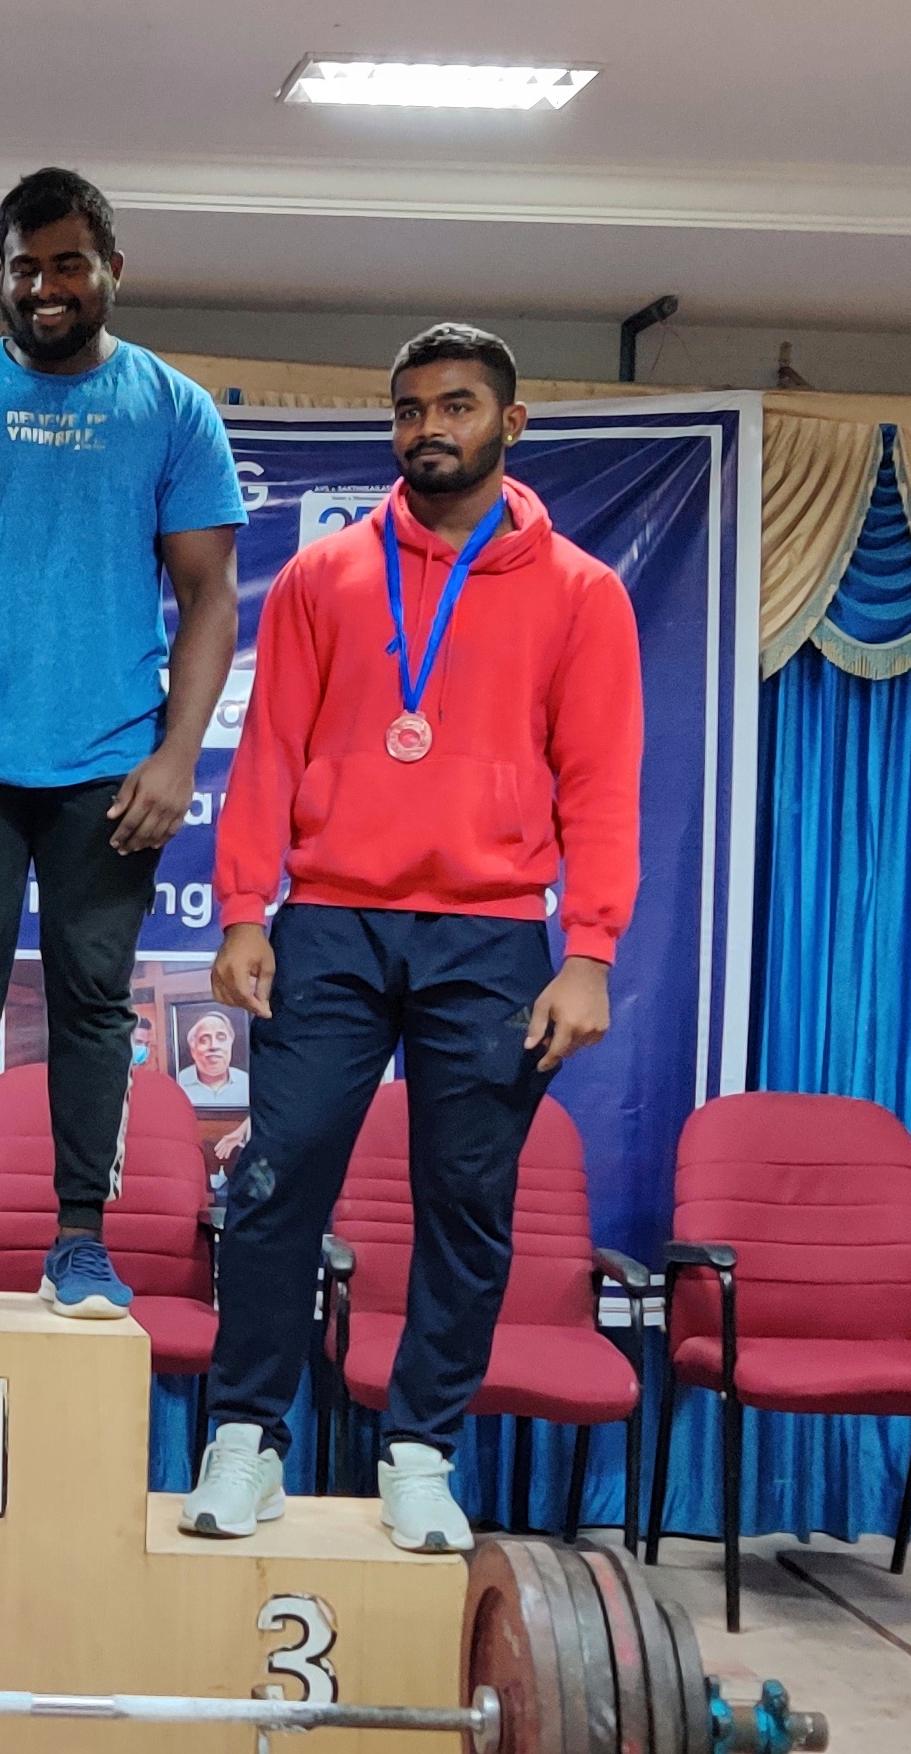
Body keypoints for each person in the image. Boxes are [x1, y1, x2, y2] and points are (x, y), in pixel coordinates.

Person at [180, 323, 640, 1554]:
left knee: (467, 1203)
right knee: (275, 1184)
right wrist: (240, 911)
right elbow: (268, 753)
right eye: (408, 410)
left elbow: (600, 785)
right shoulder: (328, 577)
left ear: (510, 422)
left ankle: (423, 1453)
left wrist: (588, 949)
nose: (428, 427)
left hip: (491, 939)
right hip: (329, 922)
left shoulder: (583, 595)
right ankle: (246, 1440)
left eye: (455, 405)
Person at [0, 165, 245, 1319]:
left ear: (111, 270)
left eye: (67, 262)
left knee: (90, 999)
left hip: (112, 768)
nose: (44, 285)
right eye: (23, 266)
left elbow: (209, 596)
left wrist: (178, 757)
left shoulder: (172, 407)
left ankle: (81, 1240)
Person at [174, 1008, 249, 1109]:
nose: (214, 1046)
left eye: (221, 1038)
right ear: (193, 1049)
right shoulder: (176, 1083)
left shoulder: (247, 1082)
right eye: (204, 1040)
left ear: (230, 1044)